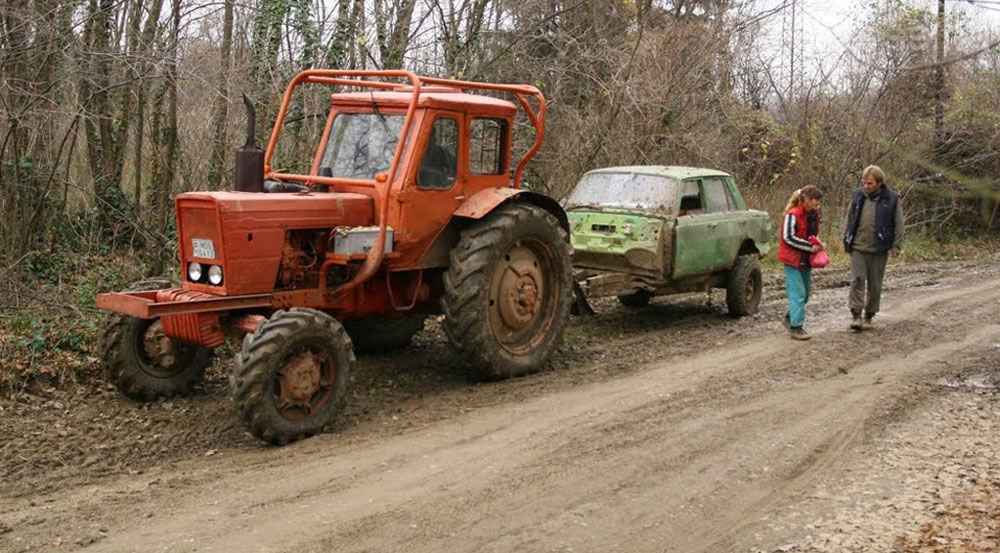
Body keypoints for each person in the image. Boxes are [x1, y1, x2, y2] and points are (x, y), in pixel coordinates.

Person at [843, 165, 904, 331]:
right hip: (858, 246)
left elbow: (899, 224)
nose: (866, 186)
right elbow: (850, 218)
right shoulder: (857, 196)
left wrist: (896, 247)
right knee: (857, 280)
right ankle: (856, 315)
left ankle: (869, 315)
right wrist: (846, 240)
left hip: (879, 248)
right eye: (864, 183)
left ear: (879, 183)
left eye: (869, 183)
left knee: (875, 284)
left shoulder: (891, 198)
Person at [778, 186, 824, 340]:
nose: (818, 203)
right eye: (815, 199)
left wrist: (817, 246)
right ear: (806, 199)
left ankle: (791, 318)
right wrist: (809, 247)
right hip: (792, 259)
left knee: (805, 294)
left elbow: (812, 234)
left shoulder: (814, 215)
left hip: (806, 259)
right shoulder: (793, 215)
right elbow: (788, 237)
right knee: (798, 293)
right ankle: (796, 327)